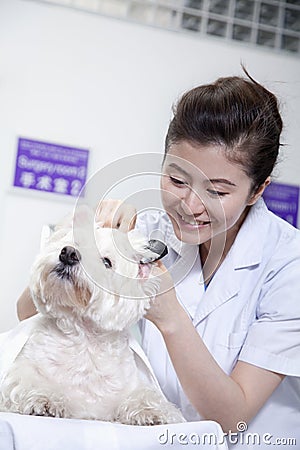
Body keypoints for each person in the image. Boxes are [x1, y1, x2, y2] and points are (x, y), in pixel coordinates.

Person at [17, 70, 300, 448]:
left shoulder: (288, 264)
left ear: (257, 190)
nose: (190, 206)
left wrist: (171, 319)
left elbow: (231, 420)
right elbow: (29, 312)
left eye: (217, 191)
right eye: (178, 180)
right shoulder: (149, 231)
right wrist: (86, 239)